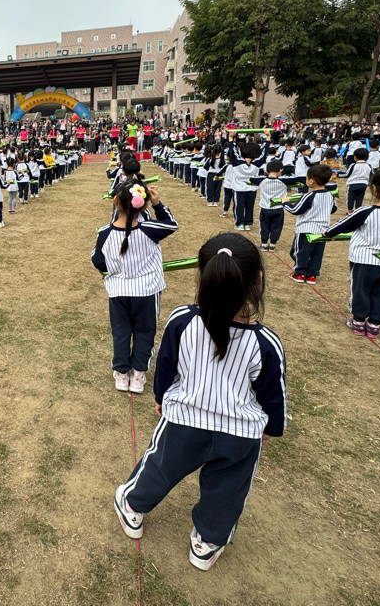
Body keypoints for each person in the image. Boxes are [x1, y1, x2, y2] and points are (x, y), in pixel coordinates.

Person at [113, 233, 285, 571]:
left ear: (202, 277)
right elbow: (273, 393)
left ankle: (132, 505)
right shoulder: (266, 342)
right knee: (228, 489)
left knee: (160, 467)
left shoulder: (182, 320)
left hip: (183, 421)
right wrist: (272, 429)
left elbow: (166, 364)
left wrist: (161, 398)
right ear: (258, 280)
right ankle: (208, 541)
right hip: (240, 434)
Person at [91, 179, 178, 393]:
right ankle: (138, 374)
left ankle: (122, 373)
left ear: (114, 201)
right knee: (145, 330)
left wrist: (114, 269)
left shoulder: (104, 233)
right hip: (147, 290)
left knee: (121, 331)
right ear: (143, 206)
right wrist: (158, 204)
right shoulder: (150, 229)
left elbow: (98, 261)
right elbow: (171, 224)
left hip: (118, 291)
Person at [322, 168, 380, 337]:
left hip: (364, 260)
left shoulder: (366, 211)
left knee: (360, 290)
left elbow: (341, 225)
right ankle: (374, 324)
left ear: (375, 189)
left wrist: (327, 234)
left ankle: (358, 322)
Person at [285, 164, 337, 284]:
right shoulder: (330, 195)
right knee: (316, 254)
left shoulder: (309, 196)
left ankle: (299, 273)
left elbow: (295, 210)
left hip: (306, 229)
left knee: (299, 252)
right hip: (323, 231)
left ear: (311, 181)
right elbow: (333, 209)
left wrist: (285, 203)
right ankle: (312, 275)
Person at [246, 160, 304, 252]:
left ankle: (264, 244)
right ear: (281, 170)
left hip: (265, 207)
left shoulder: (261, 180)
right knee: (277, 226)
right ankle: (273, 244)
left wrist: (265, 174)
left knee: (264, 226)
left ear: (266, 170)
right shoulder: (284, 180)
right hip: (278, 208)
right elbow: (298, 178)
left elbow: (252, 178)